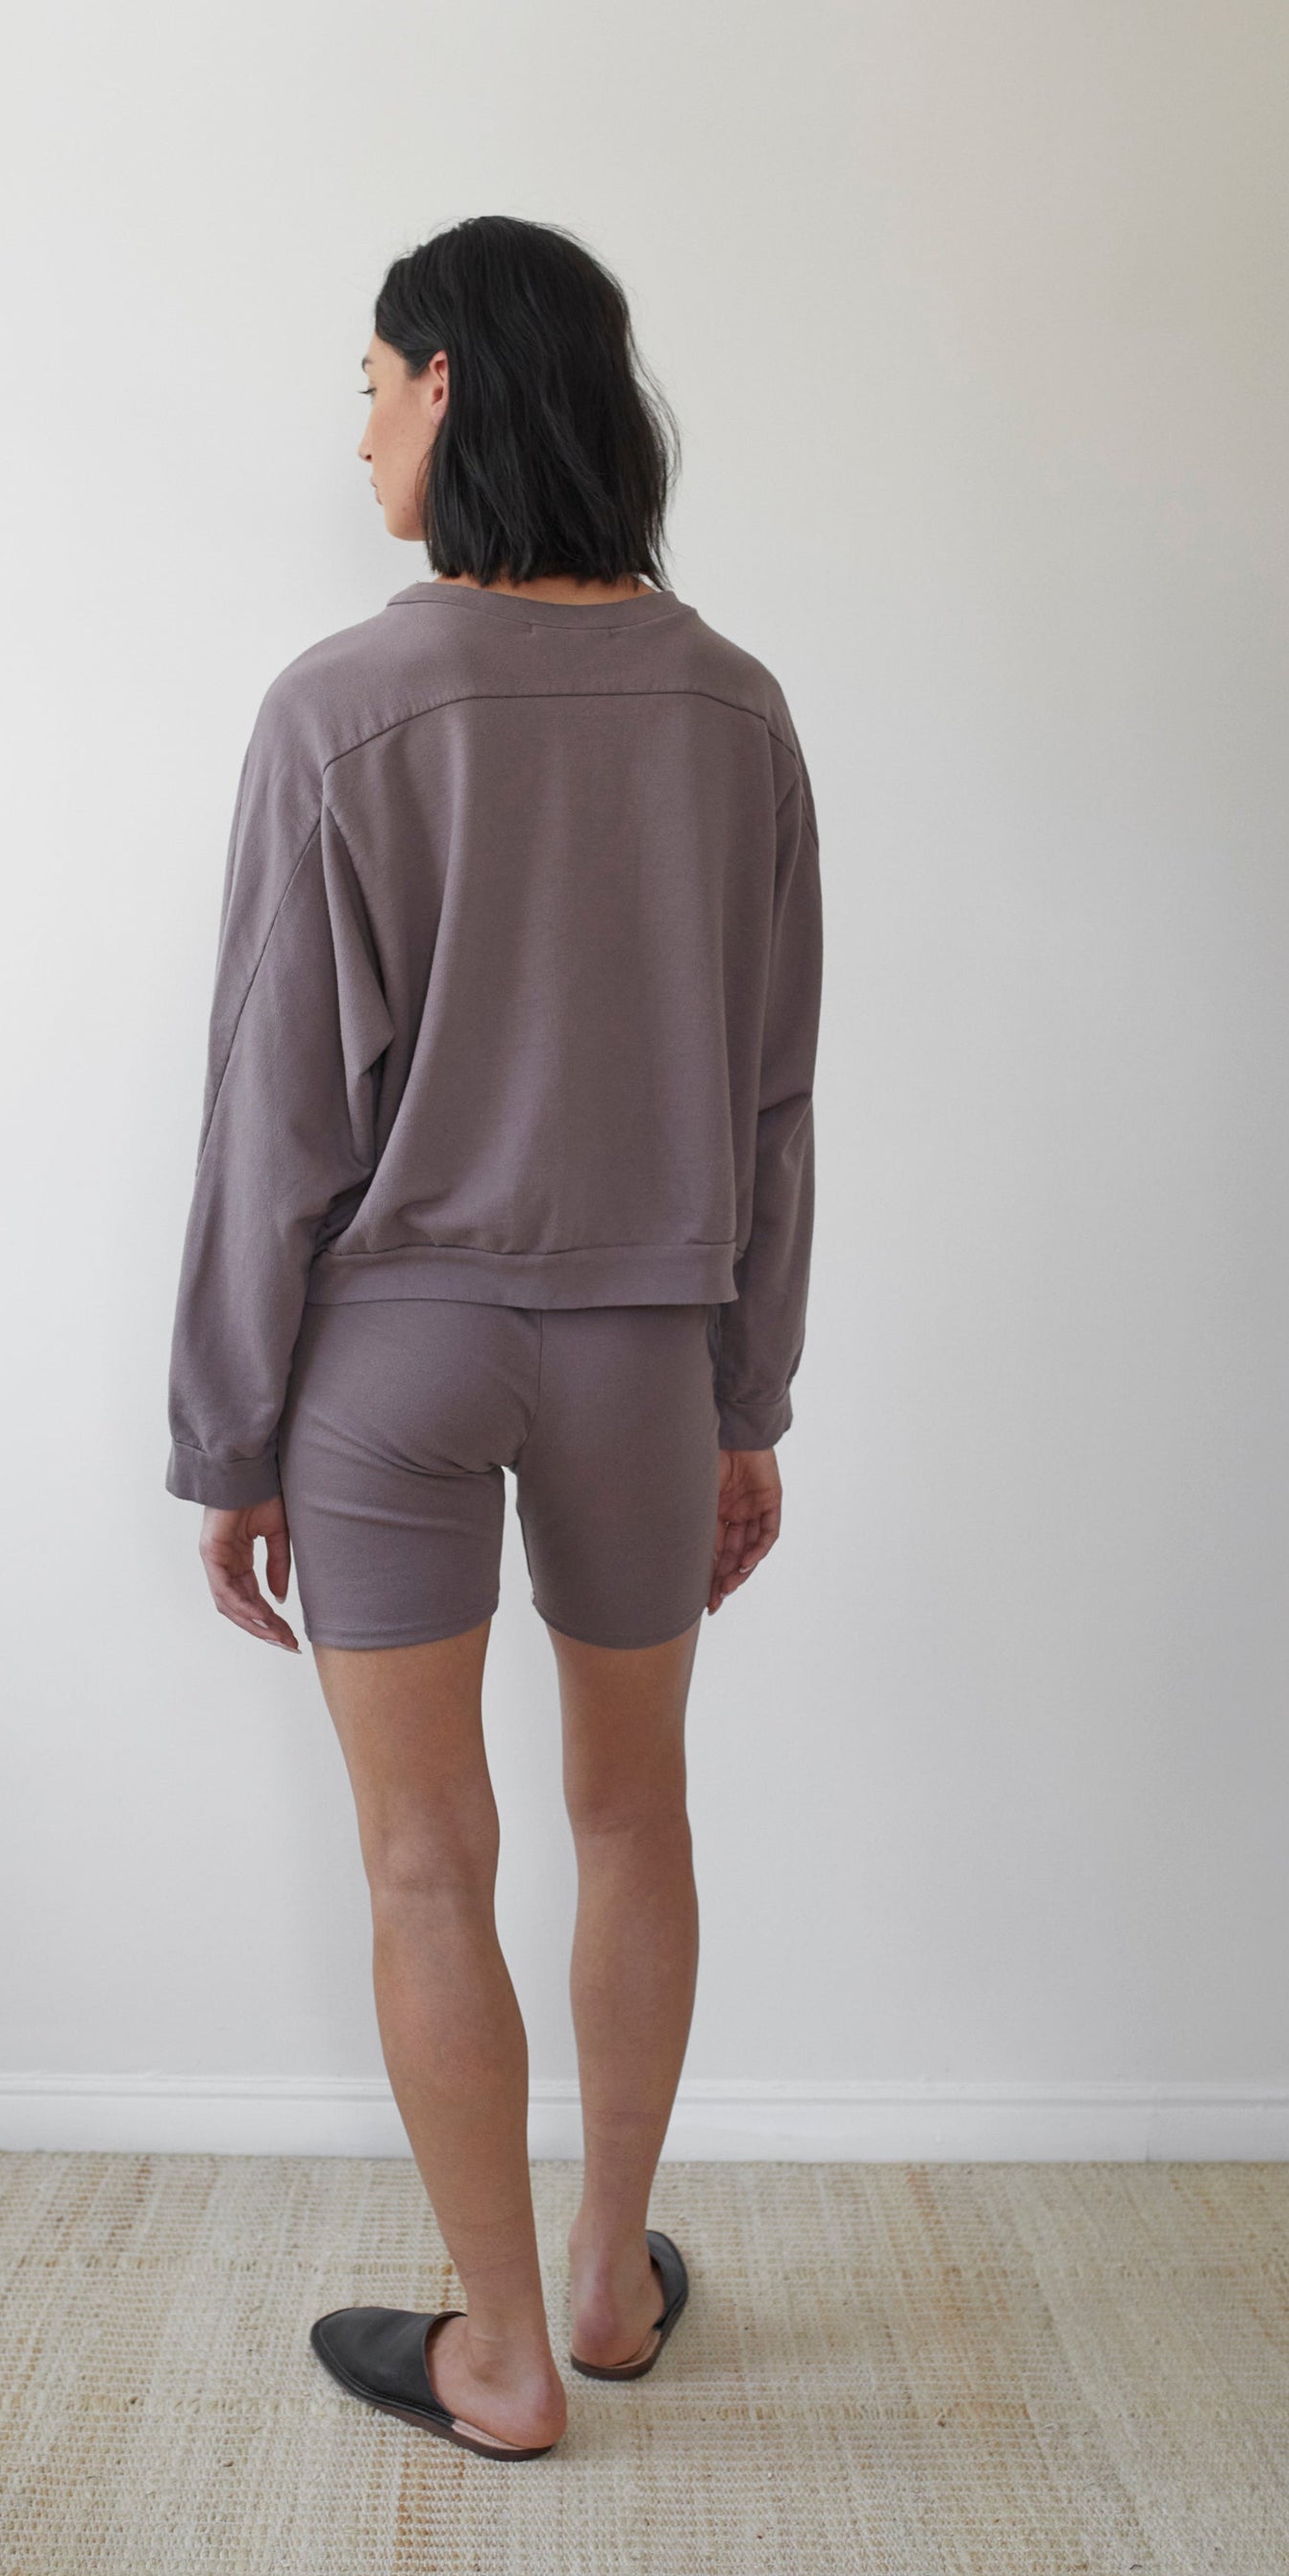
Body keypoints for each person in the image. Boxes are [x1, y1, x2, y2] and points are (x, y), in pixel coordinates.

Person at [164, 214, 822, 2460]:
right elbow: (767, 1090)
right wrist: (747, 1392)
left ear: (450, 384)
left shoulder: (341, 706)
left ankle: (498, 2355)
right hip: (647, 1343)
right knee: (631, 1813)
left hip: (395, 1358)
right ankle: (609, 2284)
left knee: (426, 1858)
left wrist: (228, 1432)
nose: (355, 428)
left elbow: (276, 1101)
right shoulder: (732, 704)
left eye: (369, 380)